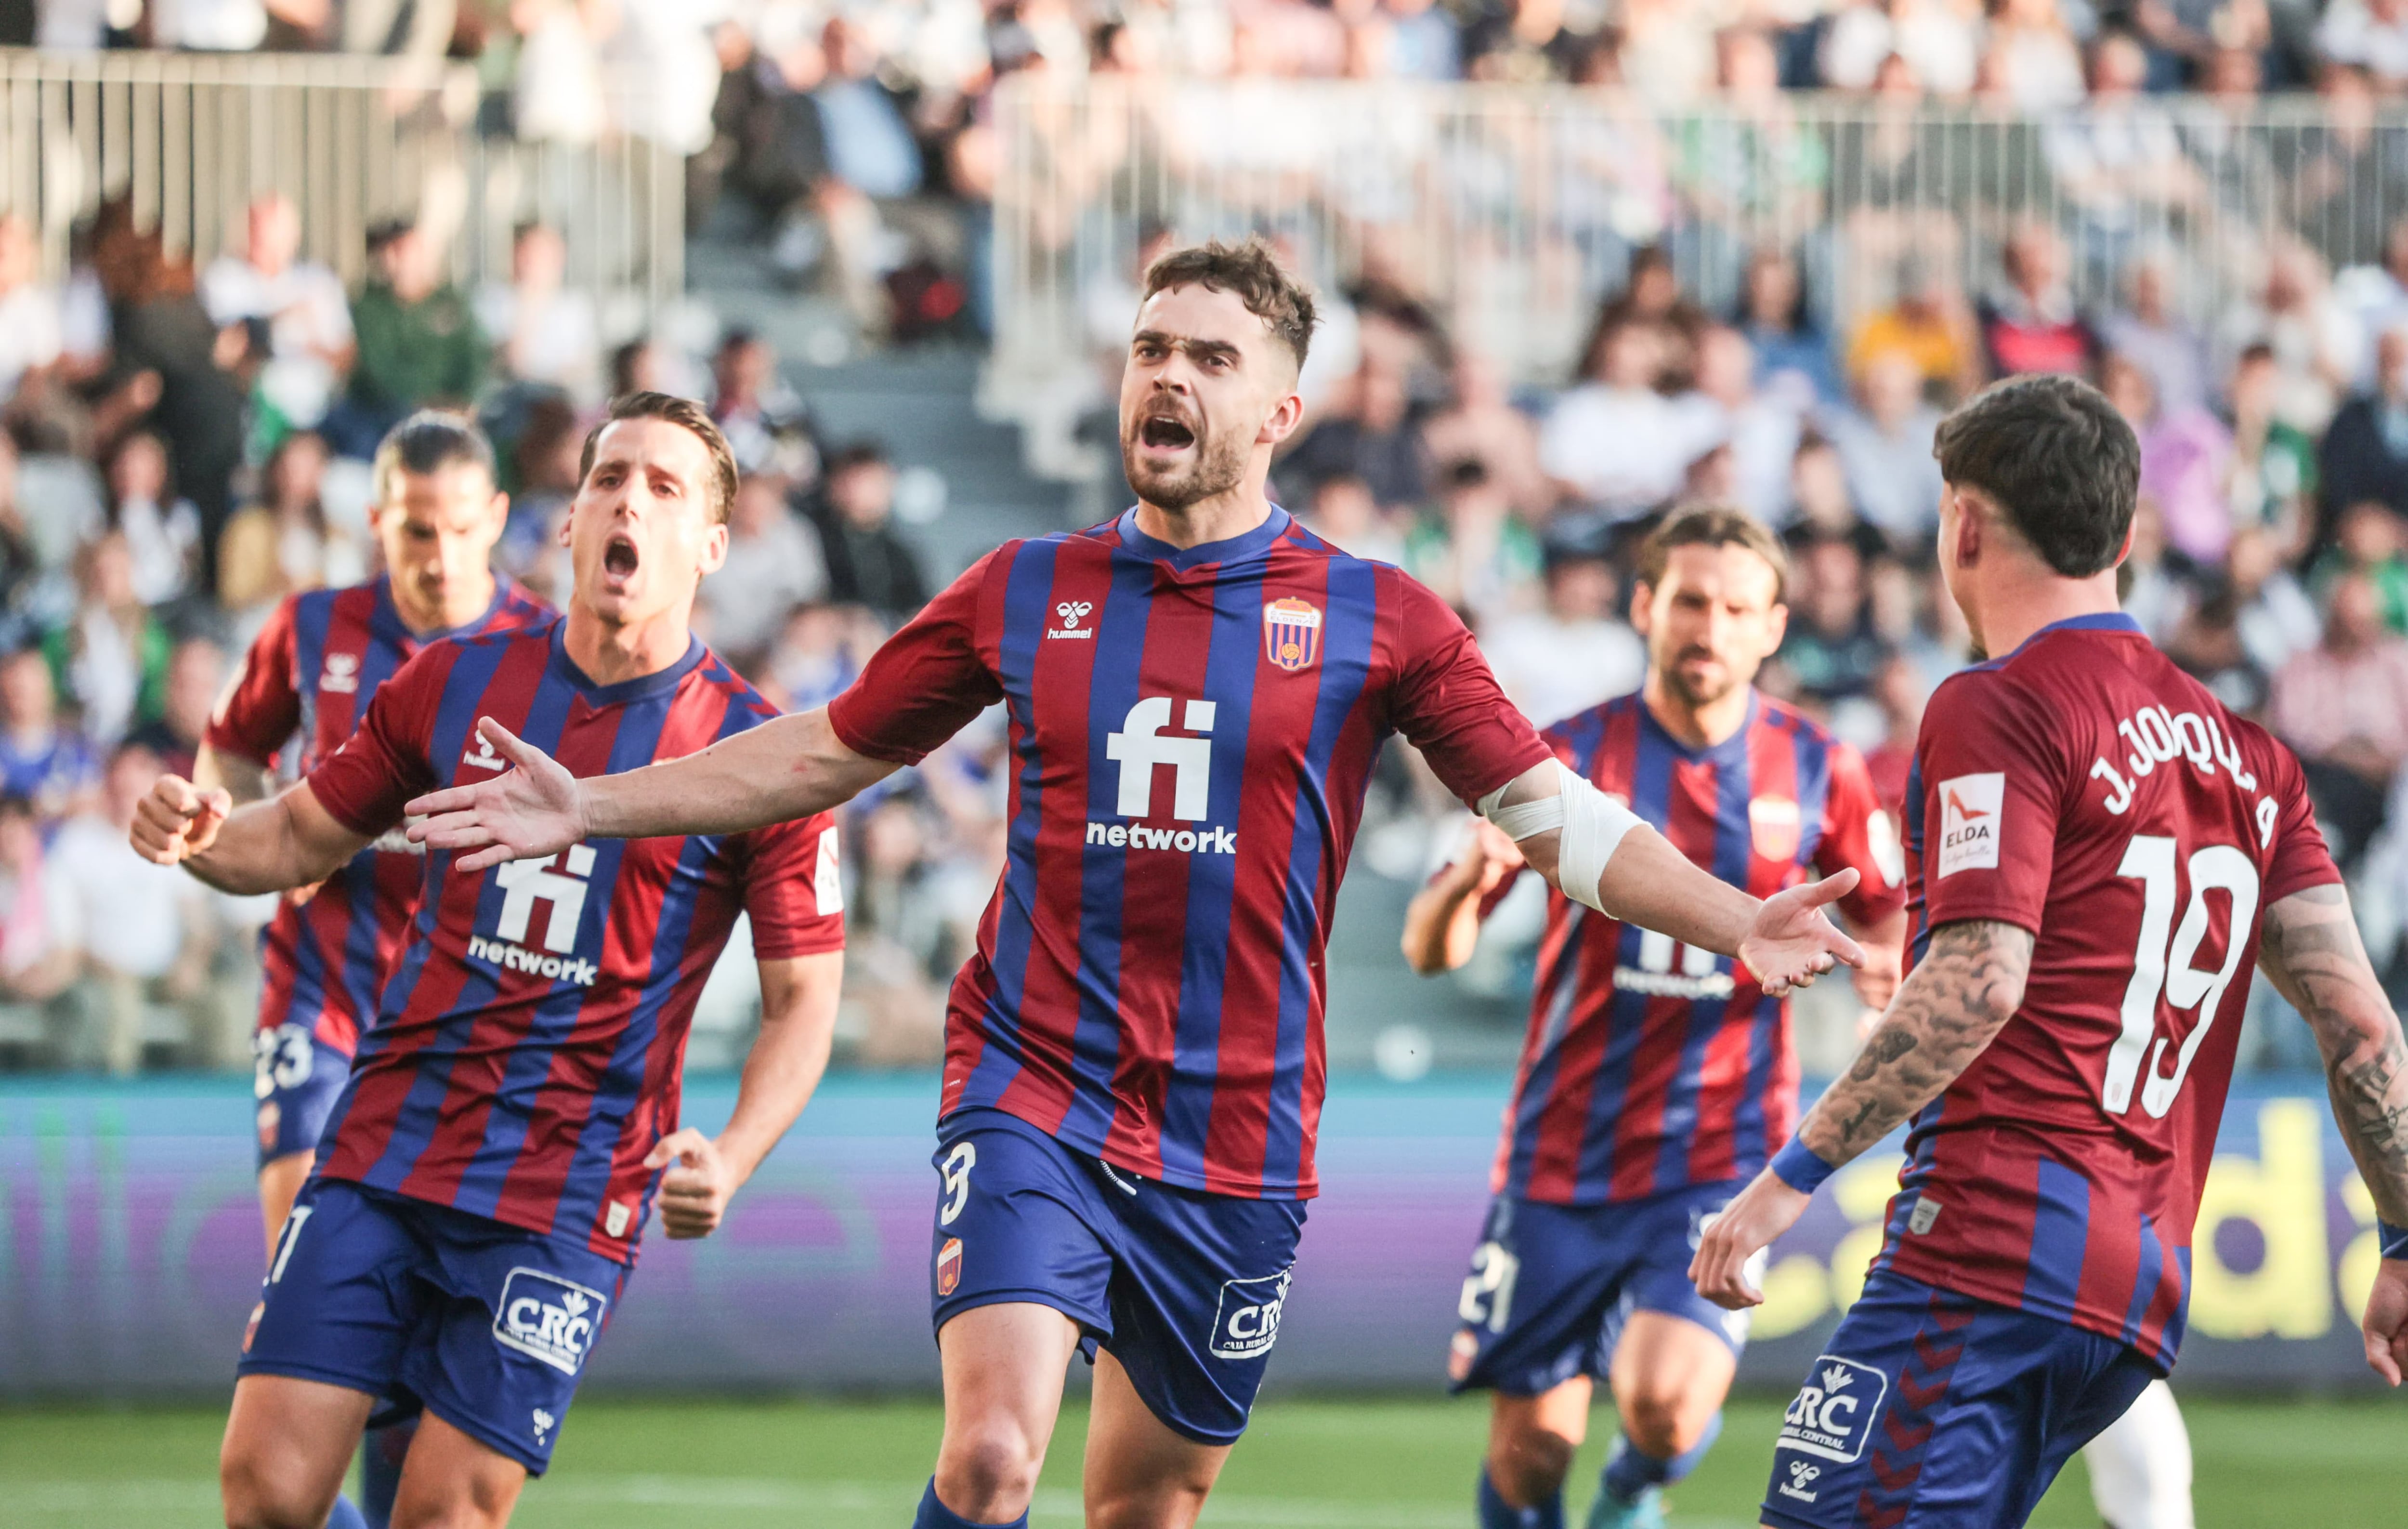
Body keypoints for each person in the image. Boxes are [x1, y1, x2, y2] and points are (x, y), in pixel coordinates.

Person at [395, 238, 1870, 1529]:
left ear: (1280, 412)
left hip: (1238, 1134)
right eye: (1151, 347)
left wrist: (1738, 913)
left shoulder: (1378, 616)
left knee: (1141, 1504)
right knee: (988, 1453)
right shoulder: (1023, 586)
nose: (1167, 375)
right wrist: (593, 799)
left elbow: (1559, 819)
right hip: (1034, 1087)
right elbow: (819, 752)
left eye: (1210, 358)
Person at [1689, 374, 2408, 1529]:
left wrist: (1784, 1186)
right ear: (2122, 536)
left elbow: (1979, 979)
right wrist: (2405, 1233)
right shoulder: (2251, 757)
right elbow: (2361, 1023)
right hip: (2134, 1290)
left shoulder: (1999, 702)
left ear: (1961, 527)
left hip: (1987, 1249)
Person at [127, 393, 848, 1529]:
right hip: (387, 1143)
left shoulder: (758, 757)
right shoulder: (451, 682)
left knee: (441, 1516)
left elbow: (804, 1001)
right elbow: (296, 836)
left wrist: (738, 1153)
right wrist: (202, 834)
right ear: (568, 521)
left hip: (565, 1187)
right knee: (263, 1488)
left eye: (664, 488)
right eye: (609, 477)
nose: (628, 502)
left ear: (713, 544)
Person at [1404, 506, 1907, 1529]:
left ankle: (1633, 1496)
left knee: (1665, 1409)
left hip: (1718, 1154)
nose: (1705, 628)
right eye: (1686, 601)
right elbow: (1427, 951)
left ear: (1771, 627)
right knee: (1532, 1451)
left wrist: (1880, 992)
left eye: (1734, 608)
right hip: (1562, 1154)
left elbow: (1886, 924)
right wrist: (1467, 883)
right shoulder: (1562, 756)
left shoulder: (1821, 768)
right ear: (1643, 606)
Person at [196, 412, 551, 1529]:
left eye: (454, 531)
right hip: (324, 985)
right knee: (316, 1278)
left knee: (409, 1344)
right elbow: (228, 749)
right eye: (411, 532)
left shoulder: (544, 650)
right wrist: (252, 826)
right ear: (376, 524)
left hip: (455, 1018)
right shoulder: (313, 630)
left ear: (493, 520)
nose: (435, 557)